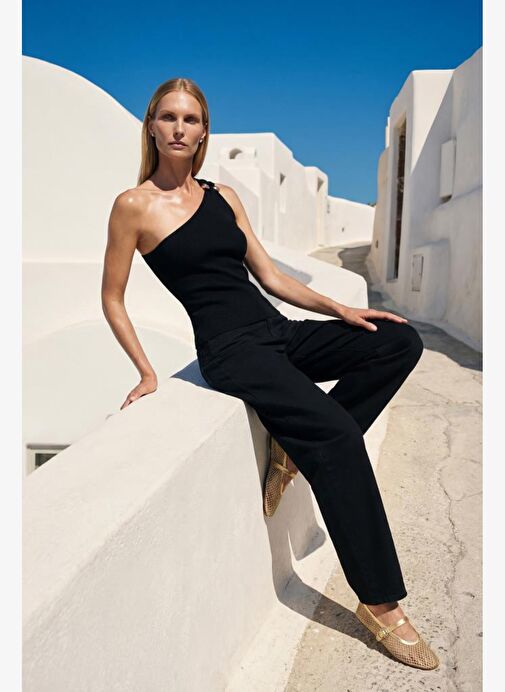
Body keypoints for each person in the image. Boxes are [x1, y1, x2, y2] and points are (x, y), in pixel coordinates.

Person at [101, 77, 439, 670]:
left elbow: (272, 277)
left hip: (275, 331)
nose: (179, 128)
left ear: (204, 132)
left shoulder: (223, 196)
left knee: (397, 342)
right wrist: (147, 372)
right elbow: (112, 297)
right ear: (151, 126)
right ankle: (380, 603)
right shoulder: (133, 206)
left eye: (191, 119)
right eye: (169, 117)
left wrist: (342, 311)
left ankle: (291, 450)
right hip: (231, 352)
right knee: (336, 435)